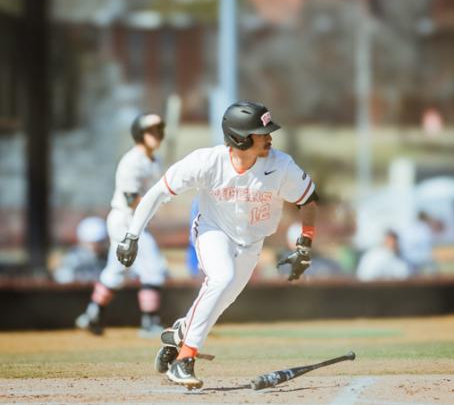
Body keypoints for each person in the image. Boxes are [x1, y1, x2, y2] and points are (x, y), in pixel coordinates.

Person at [116, 101, 319, 389]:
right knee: (220, 278)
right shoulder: (206, 161)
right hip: (213, 230)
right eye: (261, 133)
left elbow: (308, 200)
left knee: (222, 301)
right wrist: (132, 235)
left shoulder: (280, 166)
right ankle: (184, 360)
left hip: (252, 242)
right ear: (240, 138)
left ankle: (181, 333)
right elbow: (157, 193)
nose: (269, 137)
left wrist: (305, 245)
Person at [75, 113, 169, 338]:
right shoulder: (132, 160)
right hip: (127, 220)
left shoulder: (153, 161)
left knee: (116, 272)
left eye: (158, 130)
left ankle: (93, 315)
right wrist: (157, 202)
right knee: (153, 268)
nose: (156, 135)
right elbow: (131, 199)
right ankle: (149, 322)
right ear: (139, 134)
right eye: (150, 131)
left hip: (133, 220)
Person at [53, 216, 108, 284]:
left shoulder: (108, 259)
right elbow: (63, 278)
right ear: (82, 241)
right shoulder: (72, 259)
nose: (96, 247)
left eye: (100, 243)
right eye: (91, 243)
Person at [399, 210, 436, 275]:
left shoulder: (410, 227)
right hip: (419, 258)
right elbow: (427, 245)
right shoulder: (424, 228)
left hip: (407, 259)